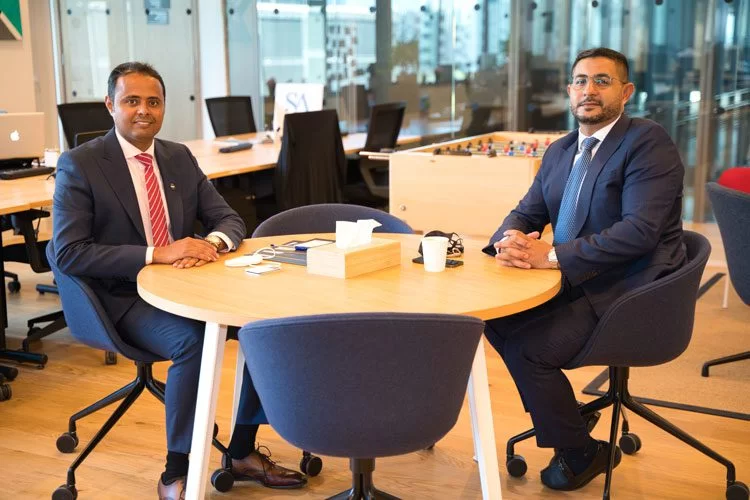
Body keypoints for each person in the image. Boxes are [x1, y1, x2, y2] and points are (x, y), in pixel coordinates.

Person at [52, 62, 307, 499]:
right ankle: (177, 470)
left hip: (185, 285)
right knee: (194, 341)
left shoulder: (177, 156)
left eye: (153, 102)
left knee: (261, 325)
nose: (144, 110)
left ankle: (241, 452)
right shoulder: (81, 164)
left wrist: (210, 243)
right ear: (110, 105)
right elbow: (69, 252)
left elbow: (228, 218)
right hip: (121, 296)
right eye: (132, 101)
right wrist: (159, 253)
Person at [483, 48, 686, 491]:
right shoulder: (561, 150)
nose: (588, 90)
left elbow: (639, 232)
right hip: (576, 279)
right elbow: (526, 212)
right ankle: (568, 422)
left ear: (626, 92)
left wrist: (550, 257)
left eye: (602, 81)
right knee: (495, 320)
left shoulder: (647, 142)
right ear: (569, 91)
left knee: (530, 349)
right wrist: (508, 241)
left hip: (630, 287)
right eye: (580, 81)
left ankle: (578, 451)